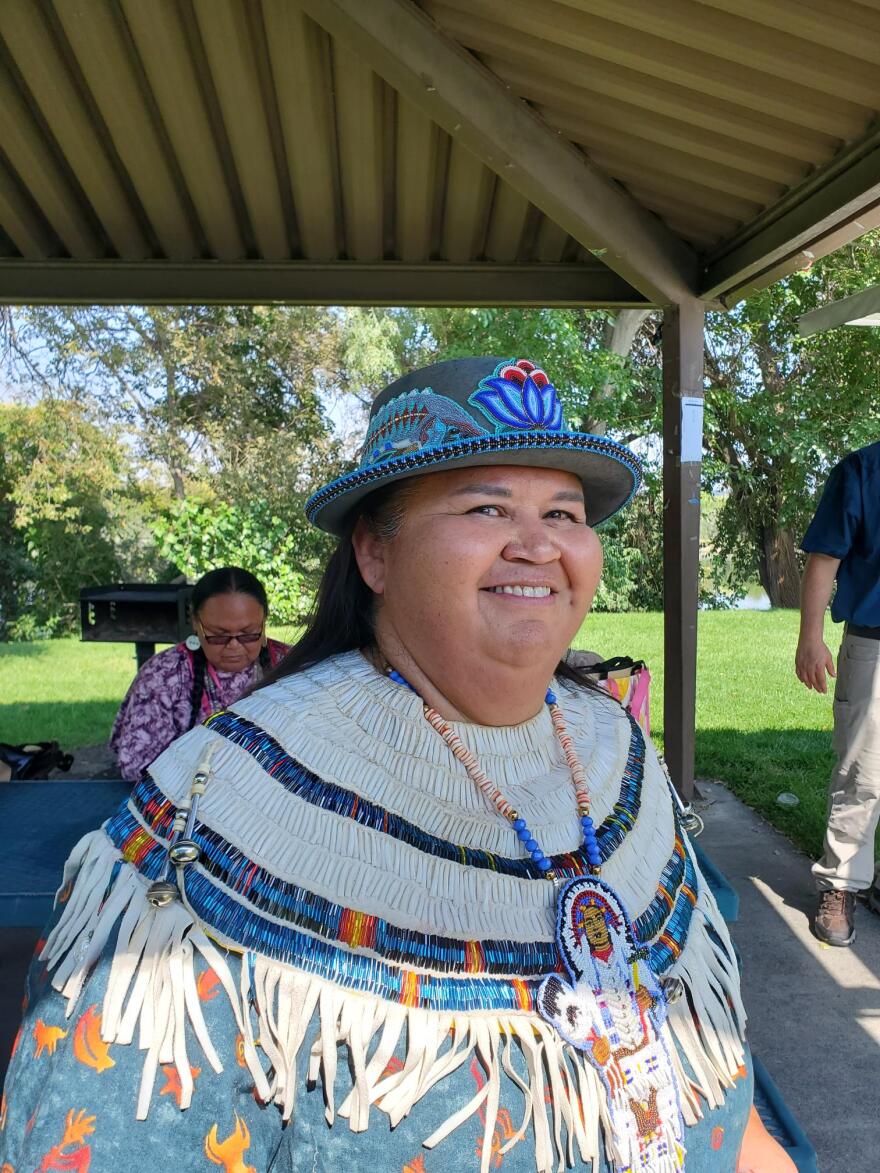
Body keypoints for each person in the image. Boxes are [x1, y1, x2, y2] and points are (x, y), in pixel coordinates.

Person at [2, 357, 793, 1171]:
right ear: (376, 554)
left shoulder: (613, 743)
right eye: (488, 506)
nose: (538, 544)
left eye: (565, 511)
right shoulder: (214, 811)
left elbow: (712, 1068)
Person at [796, 439, 880, 947]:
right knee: (863, 774)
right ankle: (841, 886)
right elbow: (824, 560)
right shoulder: (861, 471)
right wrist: (810, 638)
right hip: (874, 642)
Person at [110, 566, 289, 781]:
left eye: (248, 633)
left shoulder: (291, 666)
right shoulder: (164, 675)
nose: (234, 646)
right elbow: (135, 765)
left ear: (264, 622)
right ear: (196, 624)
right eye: (218, 635)